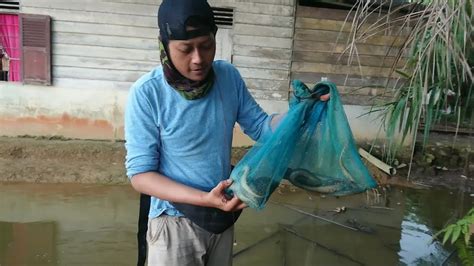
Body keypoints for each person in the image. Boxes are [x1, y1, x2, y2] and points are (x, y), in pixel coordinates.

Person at [124, 0, 329, 265]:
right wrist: (204, 199)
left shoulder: (228, 77)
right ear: (164, 45)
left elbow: (261, 127)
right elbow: (141, 176)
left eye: (206, 46)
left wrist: (300, 113)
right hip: (173, 224)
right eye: (185, 49)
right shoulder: (147, 93)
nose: (198, 59)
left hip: (221, 216)